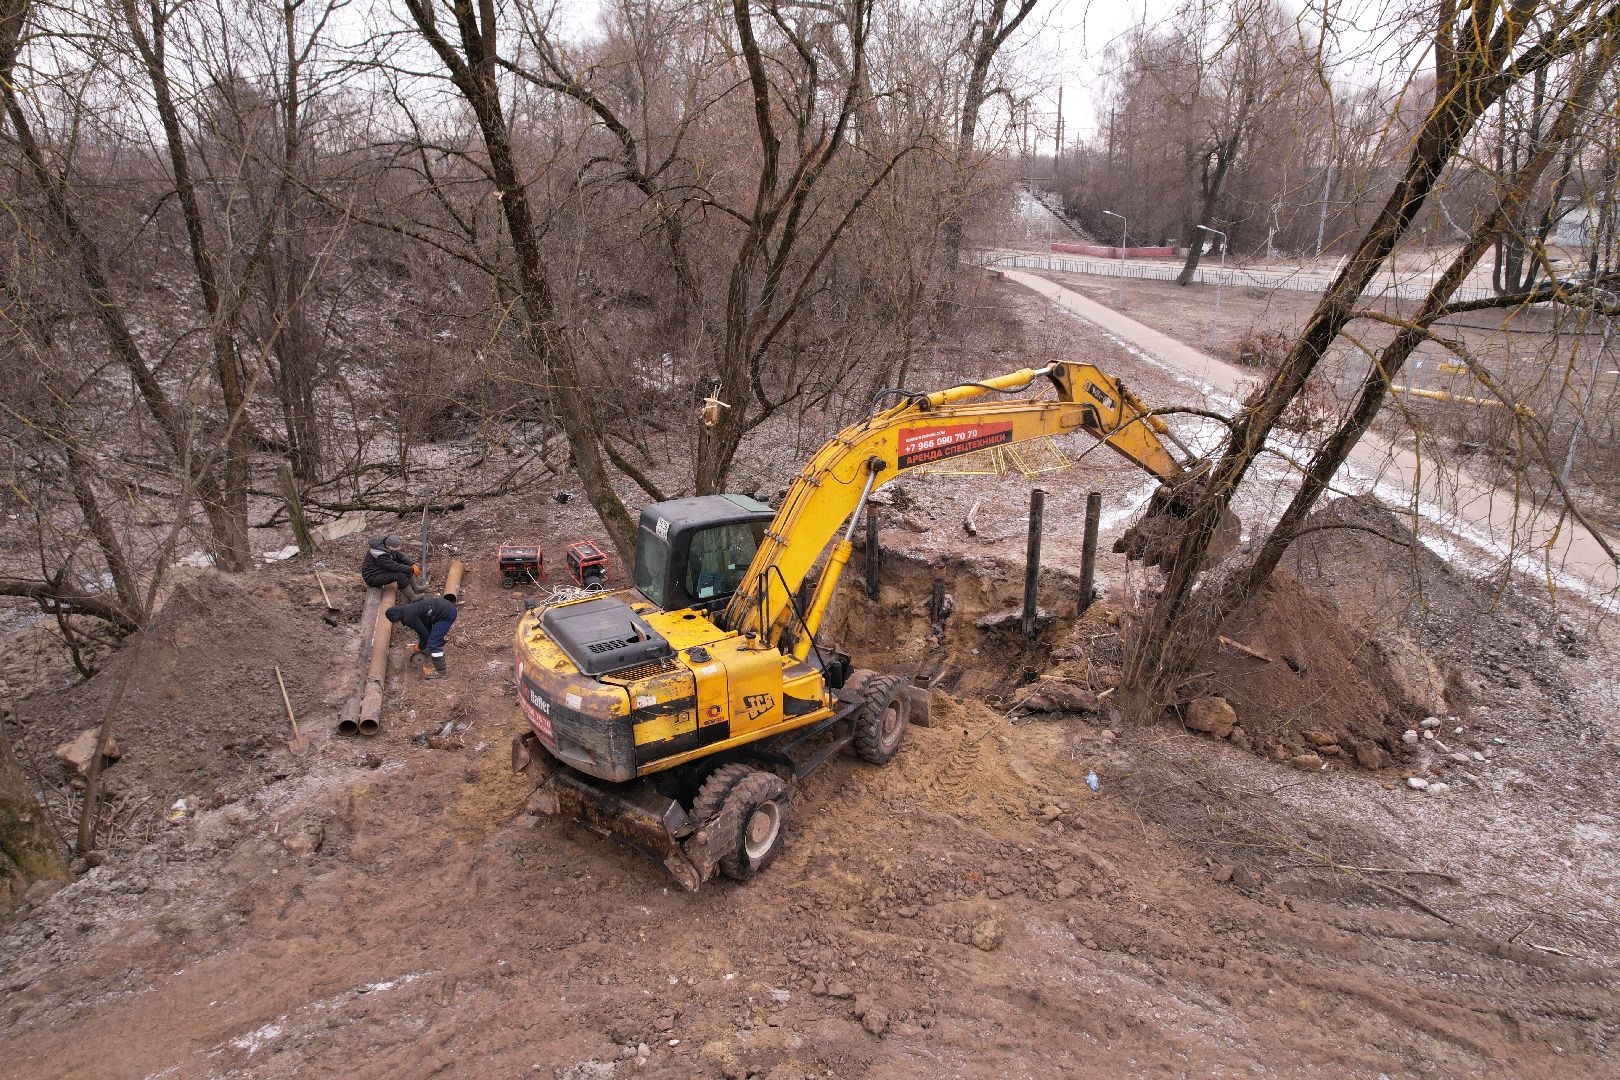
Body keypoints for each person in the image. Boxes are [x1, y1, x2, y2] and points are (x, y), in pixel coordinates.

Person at [385, 596, 457, 680]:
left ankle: (441, 671)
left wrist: (420, 647)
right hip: (442, 610)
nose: (398, 623)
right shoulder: (407, 610)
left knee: (433, 642)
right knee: (432, 638)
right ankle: (433, 648)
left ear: (396, 617)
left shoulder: (408, 617)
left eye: (396, 621)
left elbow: (424, 635)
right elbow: (426, 627)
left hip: (446, 614)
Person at [361, 535, 421, 599]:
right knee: (400, 575)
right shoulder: (381, 555)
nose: (397, 549)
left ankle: (416, 588)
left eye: (397, 547)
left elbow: (399, 556)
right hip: (372, 576)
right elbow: (394, 566)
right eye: (395, 547)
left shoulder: (387, 547)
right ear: (388, 546)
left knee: (406, 568)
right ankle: (413, 598)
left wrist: (412, 564)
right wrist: (411, 569)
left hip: (379, 570)